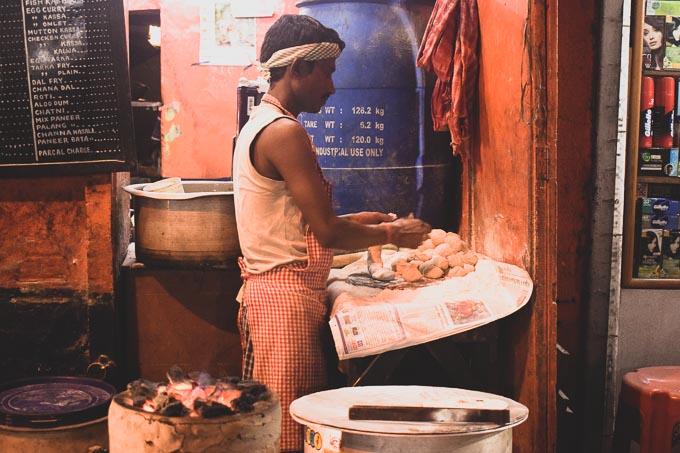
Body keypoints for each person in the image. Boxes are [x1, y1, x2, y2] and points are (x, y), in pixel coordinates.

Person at [231, 14, 431, 453]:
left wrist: (361, 220)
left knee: (286, 421)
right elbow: (326, 231)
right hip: (282, 299)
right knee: (288, 430)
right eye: (328, 72)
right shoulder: (284, 132)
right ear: (299, 67)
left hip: (277, 294)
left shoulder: (264, 122)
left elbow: (296, 221)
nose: (333, 87)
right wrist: (394, 232)